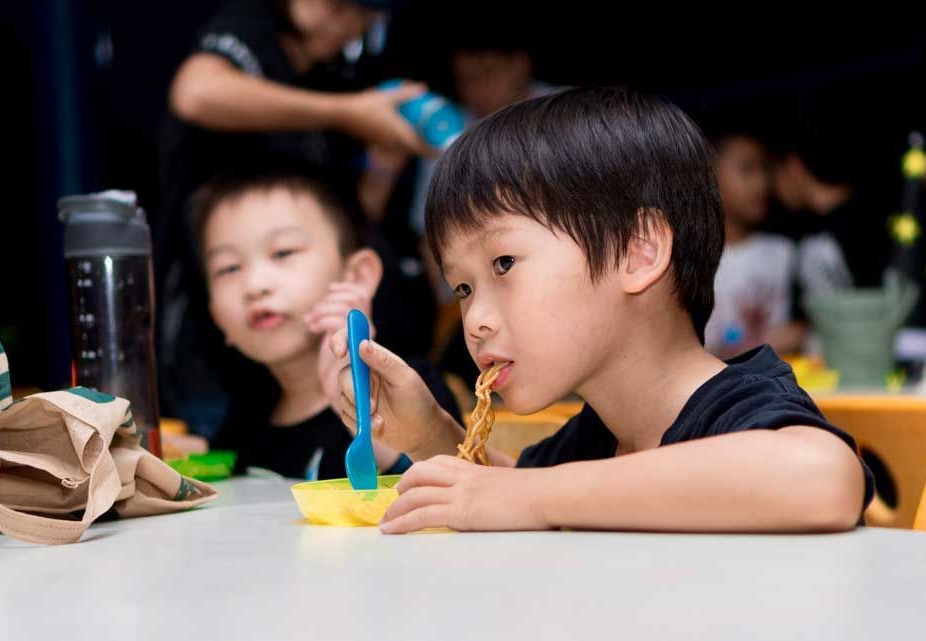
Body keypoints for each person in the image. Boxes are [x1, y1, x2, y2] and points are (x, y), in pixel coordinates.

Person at [329, 87, 874, 533]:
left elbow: (822, 478)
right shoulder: (595, 438)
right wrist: (428, 435)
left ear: (639, 252)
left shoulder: (737, 407)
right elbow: (509, 492)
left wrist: (532, 495)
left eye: (502, 264)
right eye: (464, 288)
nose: (475, 320)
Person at [190, 167, 459, 479]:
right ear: (214, 314)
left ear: (356, 276)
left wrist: (360, 407)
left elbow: (449, 481)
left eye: (283, 252)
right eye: (228, 268)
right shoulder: (247, 413)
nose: (255, 285)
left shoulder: (407, 386)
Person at [704, 128, 804, 358]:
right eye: (747, 170)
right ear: (710, 176)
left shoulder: (783, 252)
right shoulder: (691, 258)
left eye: (765, 170)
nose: (761, 183)